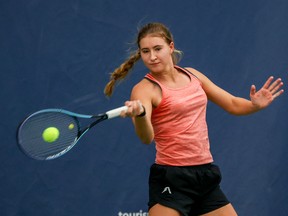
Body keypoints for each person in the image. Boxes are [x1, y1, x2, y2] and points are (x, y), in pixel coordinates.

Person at [104, 22, 284, 216]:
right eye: (145, 51)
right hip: (171, 178)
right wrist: (140, 115)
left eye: (158, 49)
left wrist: (253, 105)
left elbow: (232, 103)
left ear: (170, 47)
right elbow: (146, 137)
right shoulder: (144, 89)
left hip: (205, 174)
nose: (152, 56)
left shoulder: (193, 75)